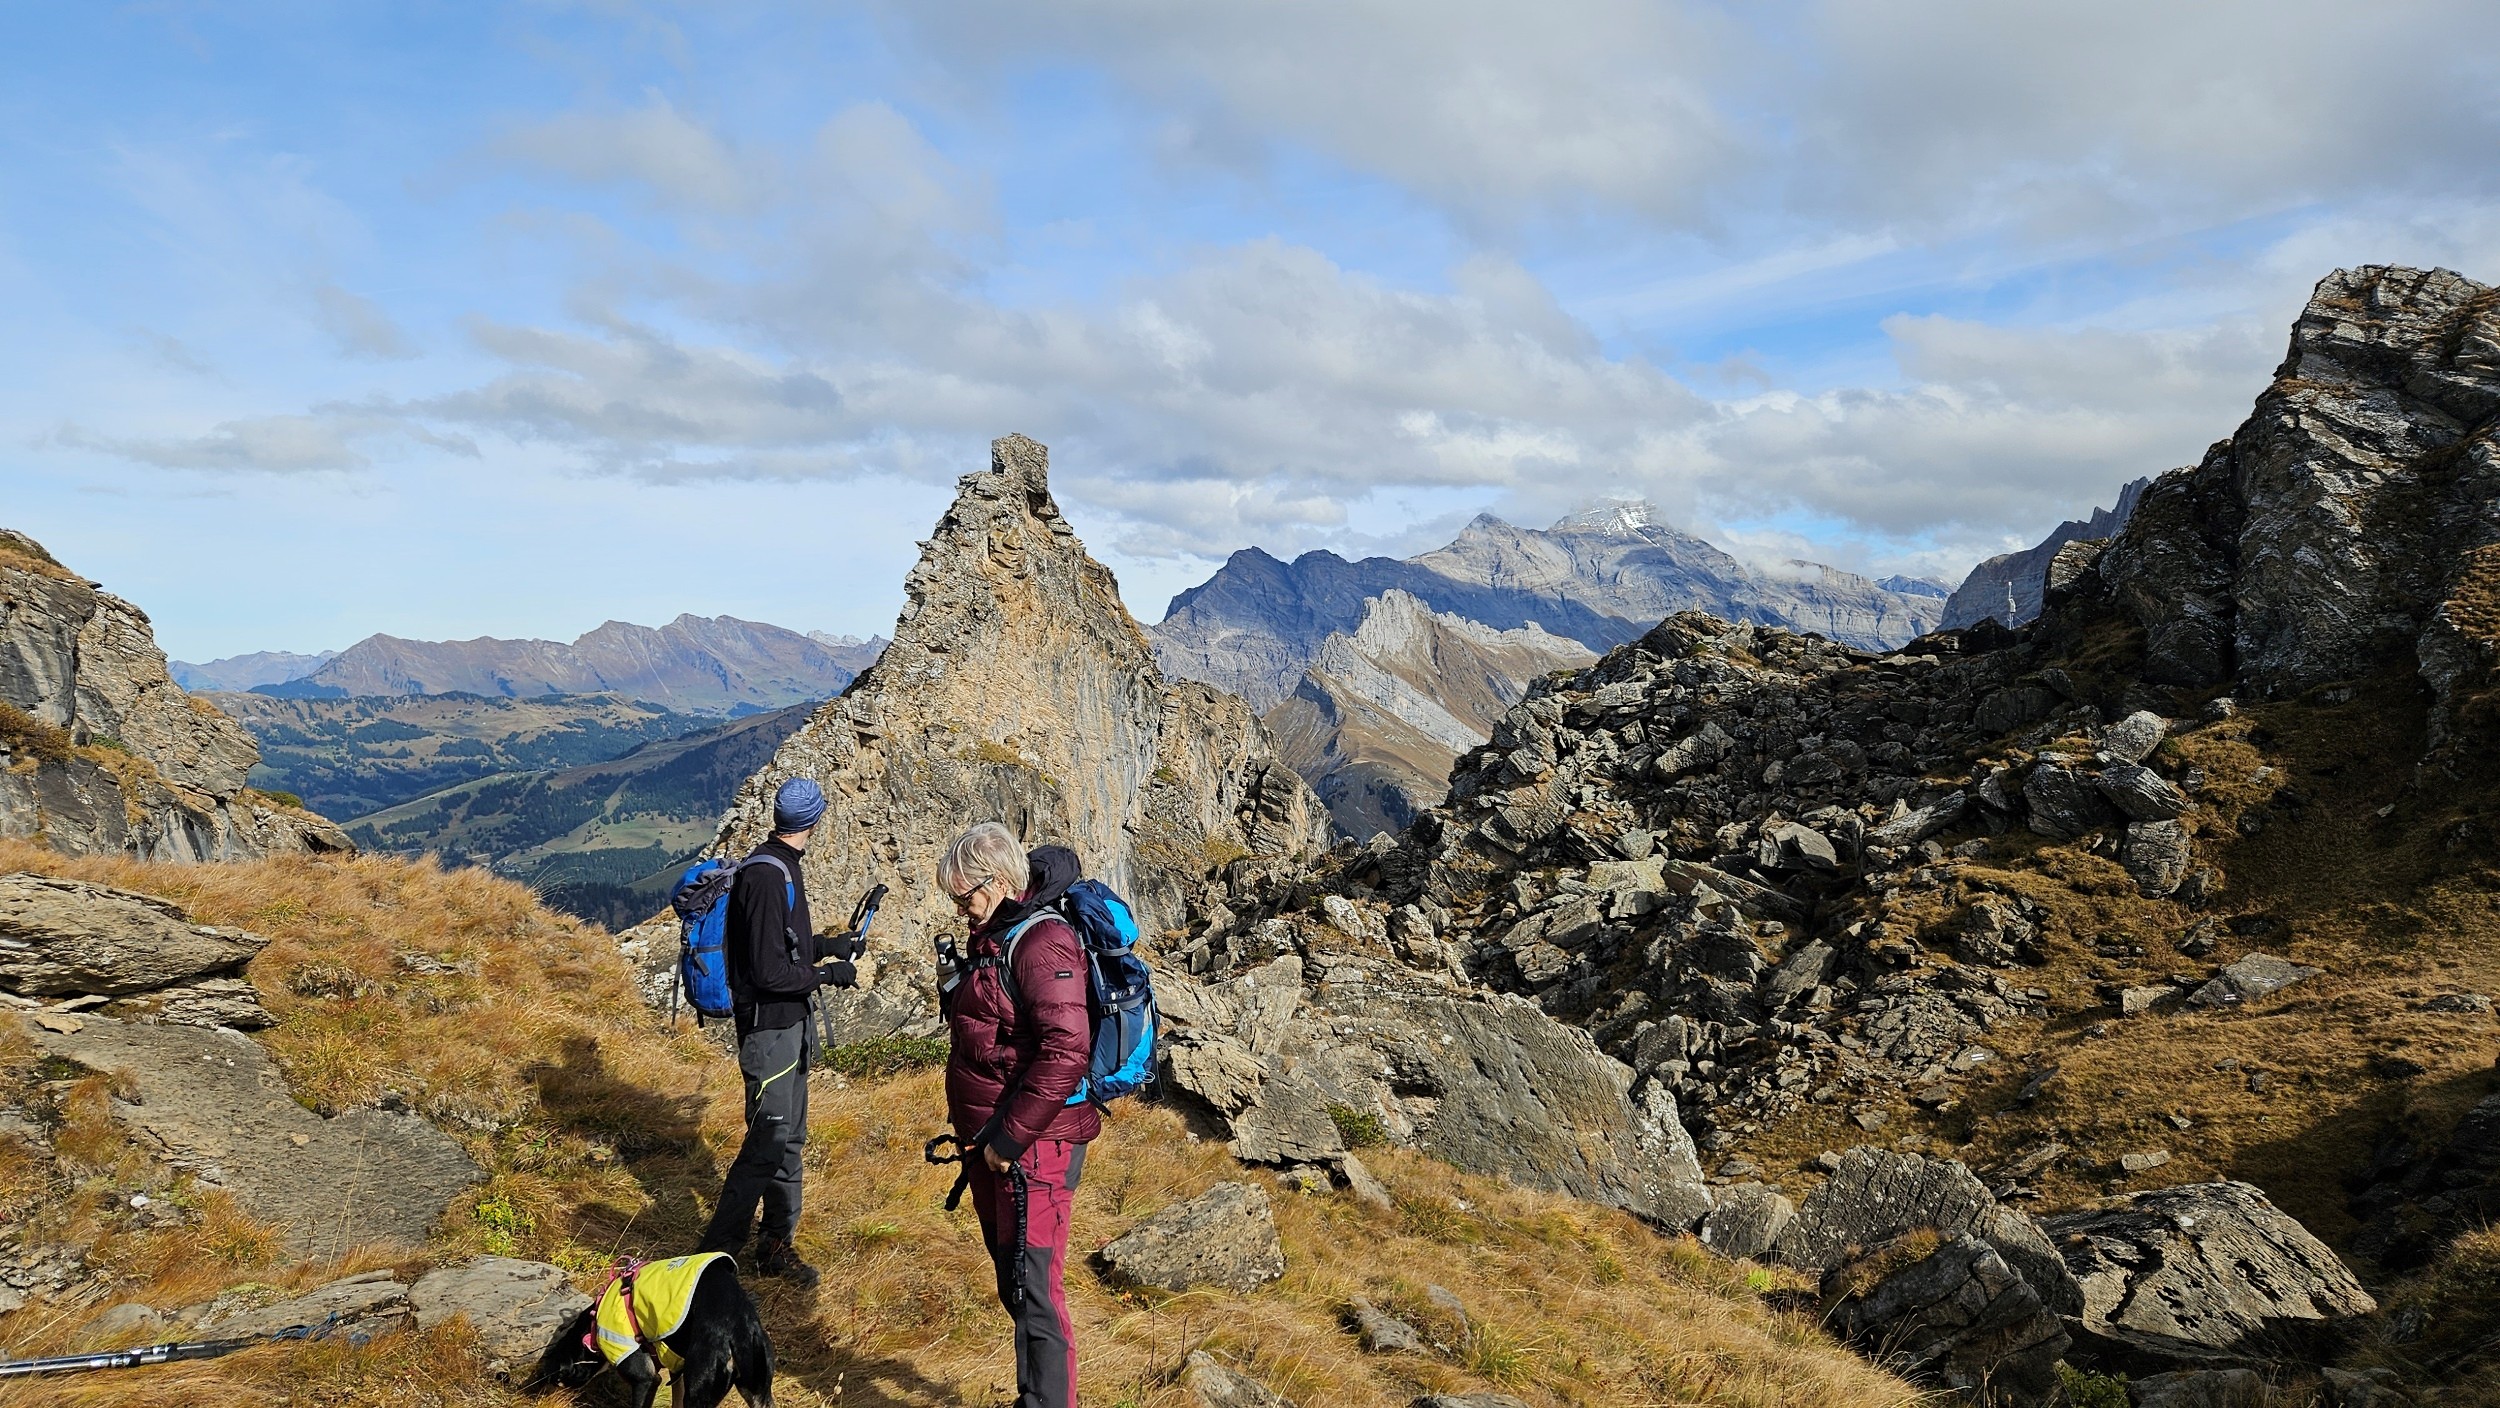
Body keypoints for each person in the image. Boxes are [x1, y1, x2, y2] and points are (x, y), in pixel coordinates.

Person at [938, 823, 1099, 1408]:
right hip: (996, 1144)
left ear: (1001, 881)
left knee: (1035, 1293)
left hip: (1033, 1148)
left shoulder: (1042, 942)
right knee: (1017, 1283)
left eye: (966, 896)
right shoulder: (998, 935)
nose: (960, 909)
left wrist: (1006, 1139)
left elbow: (1066, 1052)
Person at [696, 777, 863, 1288]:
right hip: (770, 1030)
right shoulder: (770, 877)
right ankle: (712, 1260)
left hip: (788, 1026)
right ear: (814, 820)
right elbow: (769, 974)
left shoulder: (779, 866)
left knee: (789, 1138)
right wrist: (827, 974)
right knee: (768, 1141)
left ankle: (775, 1245)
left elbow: (780, 947)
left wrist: (826, 945)